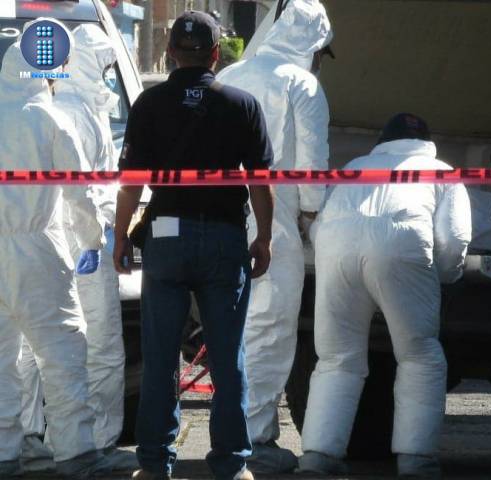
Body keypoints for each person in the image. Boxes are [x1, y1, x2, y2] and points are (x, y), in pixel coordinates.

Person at [112, 11, 274, 480]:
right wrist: (263, 237)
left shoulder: (149, 104)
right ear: (216, 54)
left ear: (169, 53)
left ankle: (153, 464)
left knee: (161, 356)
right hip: (224, 239)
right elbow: (260, 183)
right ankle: (232, 465)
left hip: (166, 237)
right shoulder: (242, 104)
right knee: (227, 356)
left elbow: (130, 183)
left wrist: (121, 236)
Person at [298, 114, 472, 478]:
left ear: (382, 141)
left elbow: (320, 224)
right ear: (426, 143)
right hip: (401, 248)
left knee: (336, 358)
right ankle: (416, 460)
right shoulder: (443, 172)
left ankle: (318, 456)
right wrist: (440, 277)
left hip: (335, 248)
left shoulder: (354, 167)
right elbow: (455, 239)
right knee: (420, 356)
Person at [215, 0, 331, 472]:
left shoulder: (230, 75)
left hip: (220, 212)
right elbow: (312, 162)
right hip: (274, 217)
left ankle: (228, 430)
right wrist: (312, 214)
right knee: (269, 326)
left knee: (231, 326)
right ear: (312, 44)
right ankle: (254, 437)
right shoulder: (303, 84)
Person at [17, 23, 135, 472]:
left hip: (47, 242)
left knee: (37, 343)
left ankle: (29, 436)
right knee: (98, 343)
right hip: (84, 241)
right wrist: (98, 238)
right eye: (104, 67)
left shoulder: (49, 108)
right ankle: (96, 441)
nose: (107, 78)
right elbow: (88, 190)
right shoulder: (80, 113)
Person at [0, 38, 110, 479]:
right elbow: (79, 190)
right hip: (36, 250)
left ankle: (4, 454)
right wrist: (92, 240)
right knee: (62, 351)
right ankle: (75, 452)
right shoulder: (48, 117)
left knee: (1, 360)